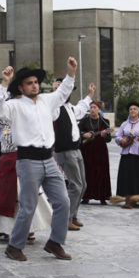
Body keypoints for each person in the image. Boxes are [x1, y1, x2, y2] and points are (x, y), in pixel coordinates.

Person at [0, 58, 78, 262]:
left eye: (36, 82)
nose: (34, 85)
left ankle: (55, 242)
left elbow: (63, 92)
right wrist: (4, 83)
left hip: (49, 159)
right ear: (21, 87)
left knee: (63, 202)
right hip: (28, 161)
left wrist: (71, 73)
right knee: (28, 206)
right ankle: (14, 246)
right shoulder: (14, 105)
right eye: (29, 83)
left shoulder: (47, 101)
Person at [0, 88, 53, 241]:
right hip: (5, 160)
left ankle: (28, 229)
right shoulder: (3, 118)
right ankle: (2, 228)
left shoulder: (28, 117)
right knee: (0, 195)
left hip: (21, 160)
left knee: (22, 196)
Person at [52, 80, 94, 229]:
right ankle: (66, 219)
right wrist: (56, 91)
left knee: (82, 185)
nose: (68, 93)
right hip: (65, 151)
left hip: (76, 150)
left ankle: (73, 215)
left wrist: (89, 95)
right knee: (75, 186)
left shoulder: (70, 107)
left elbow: (81, 108)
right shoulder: (55, 108)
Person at [113, 102, 139, 209]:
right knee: (128, 177)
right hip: (127, 154)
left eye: (135, 109)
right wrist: (121, 140)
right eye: (131, 109)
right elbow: (117, 136)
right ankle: (128, 197)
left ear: (138, 111)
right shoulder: (124, 124)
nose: (132, 111)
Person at [79, 101, 113, 205]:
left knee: (101, 172)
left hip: (100, 151)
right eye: (91, 107)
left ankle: (102, 196)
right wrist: (84, 135)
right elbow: (77, 132)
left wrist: (104, 135)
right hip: (87, 150)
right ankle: (86, 196)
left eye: (94, 107)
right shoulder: (84, 121)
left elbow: (108, 139)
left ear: (99, 109)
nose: (92, 109)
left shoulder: (104, 121)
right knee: (87, 172)